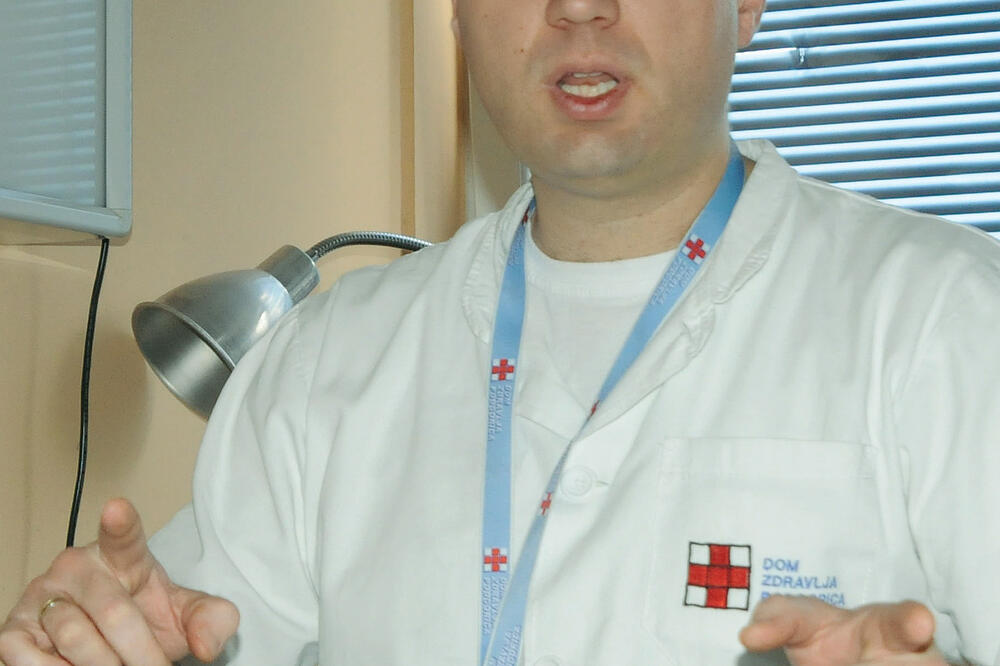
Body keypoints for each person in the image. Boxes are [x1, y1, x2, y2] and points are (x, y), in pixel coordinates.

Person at [2, 0, 998, 663]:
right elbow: (181, 631)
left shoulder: (946, 317)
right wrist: (85, 636)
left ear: (745, 4)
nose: (578, 7)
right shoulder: (322, 361)